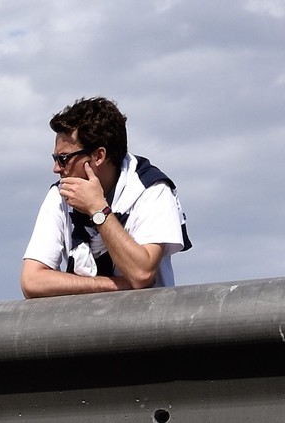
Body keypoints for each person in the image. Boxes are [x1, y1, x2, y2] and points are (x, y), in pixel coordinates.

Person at [21, 98, 189, 298]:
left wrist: (98, 209)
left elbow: (142, 273)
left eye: (64, 159)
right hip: (87, 325)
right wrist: (114, 285)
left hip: (144, 325)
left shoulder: (152, 188)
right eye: (55, 159)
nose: (56, 168)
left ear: (99, 156)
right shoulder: (59, 195)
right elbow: (31, 281)